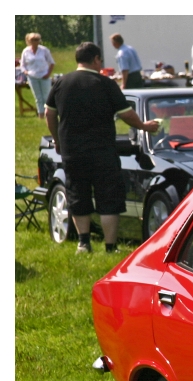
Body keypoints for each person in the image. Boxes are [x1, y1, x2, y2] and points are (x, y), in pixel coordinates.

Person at [44, 42, 159, 253]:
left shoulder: (61, 82)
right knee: (108, 197)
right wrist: (144, 126)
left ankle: (83, 242)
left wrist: (57, 140)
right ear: (96, 59)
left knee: (78, 194)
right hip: (102, 150)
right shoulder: (105, 84)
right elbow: (126, 114)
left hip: (72, 150)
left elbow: (49, 114)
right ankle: (110, 246)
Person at [20, 33, 55, 119]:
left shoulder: (44, 50)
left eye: (37, 40)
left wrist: (48, 74)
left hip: (44, 75)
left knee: (46, 96)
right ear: (29, 41)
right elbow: (22, 64)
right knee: (38, 97)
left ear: (39, 41)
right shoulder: (25, 51)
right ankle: (41, 115)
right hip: (32, 76)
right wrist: (25, 71)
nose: (35, 41)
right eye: (32, 40)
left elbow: (52, 63)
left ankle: (48, 115)